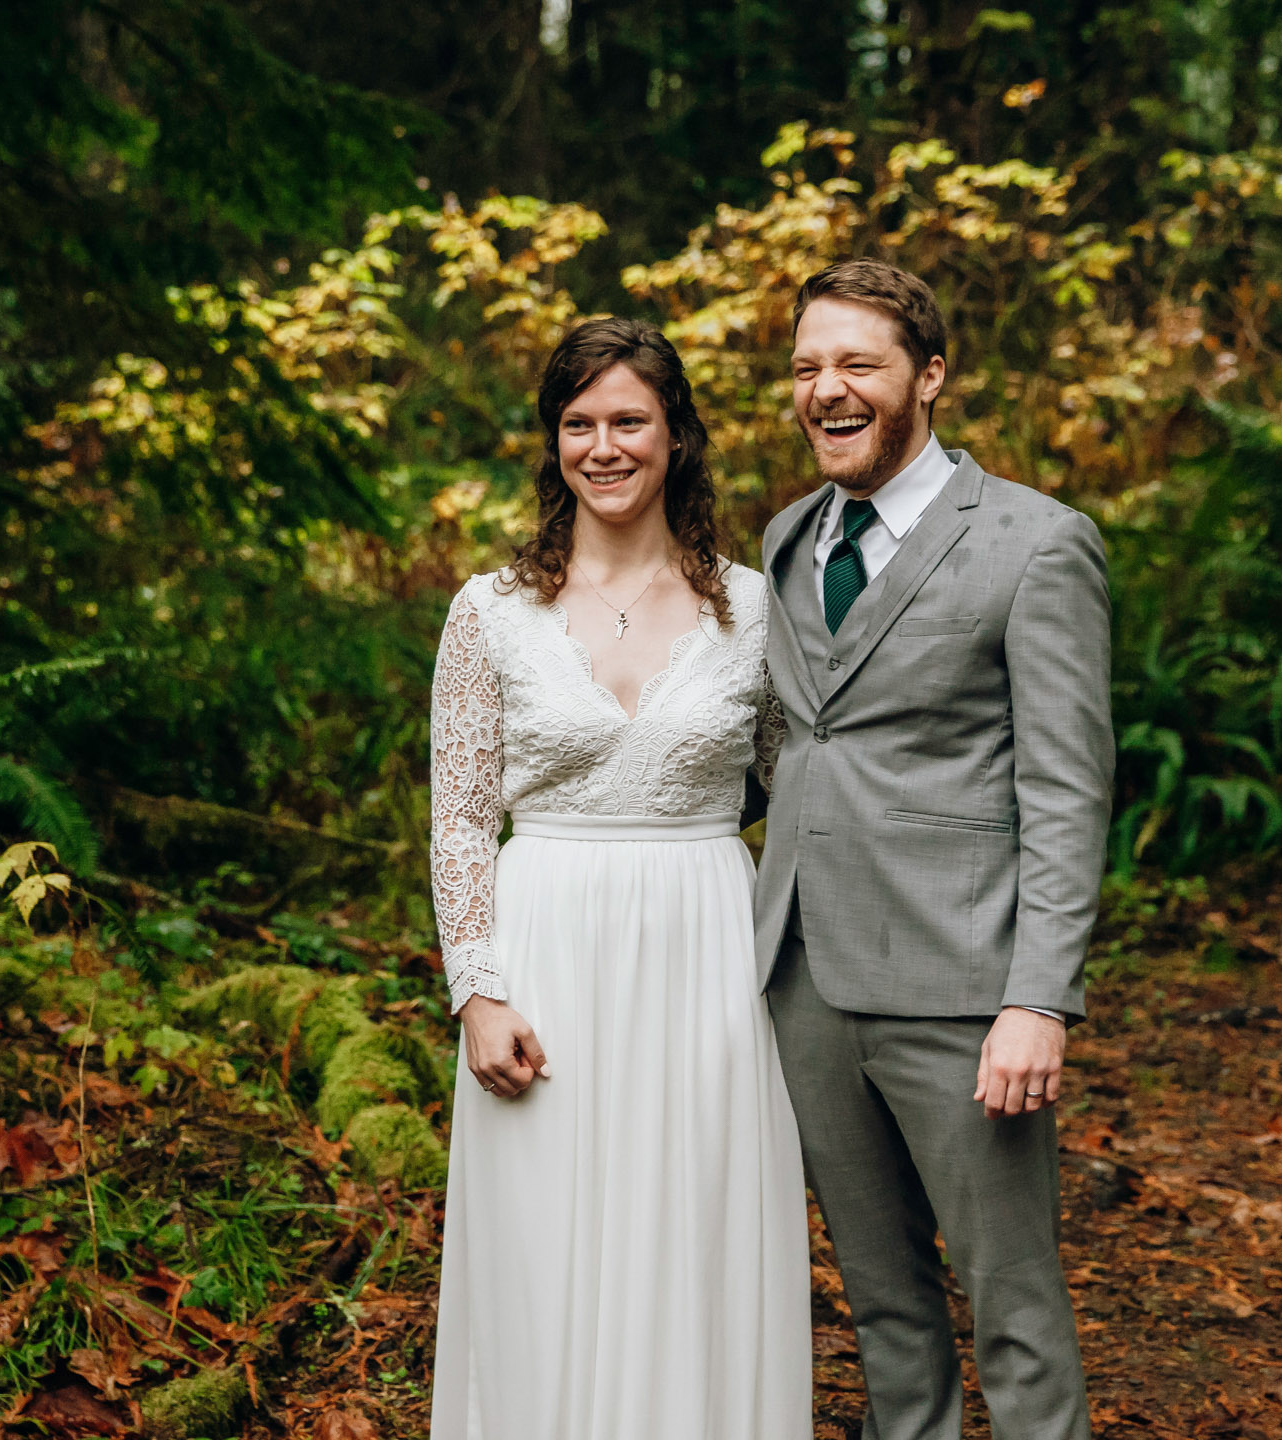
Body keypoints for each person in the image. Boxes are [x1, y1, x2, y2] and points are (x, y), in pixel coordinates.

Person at [426, 317, 810, 1440]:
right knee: (540, 1249)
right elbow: (457, 819)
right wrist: (477, 990)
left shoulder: (755, 609)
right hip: (542, 956)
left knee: (696, 1234)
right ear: (553, 446)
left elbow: (803, 793)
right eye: (578, 424)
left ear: (676, 437)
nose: (604, 446)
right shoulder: (486, 613)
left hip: (708, 957)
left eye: (628, 421)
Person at [755, 258, 1114, 1440]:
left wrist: (1039, 1001)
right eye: (808, 367)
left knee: (1011, 1302)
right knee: (884, 1306)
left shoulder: (1036, 544)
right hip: (804, 981)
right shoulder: (787, 538)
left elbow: (1067, 793)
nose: (828, 390)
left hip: (963, 991)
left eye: (859, 363)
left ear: (932, 376)